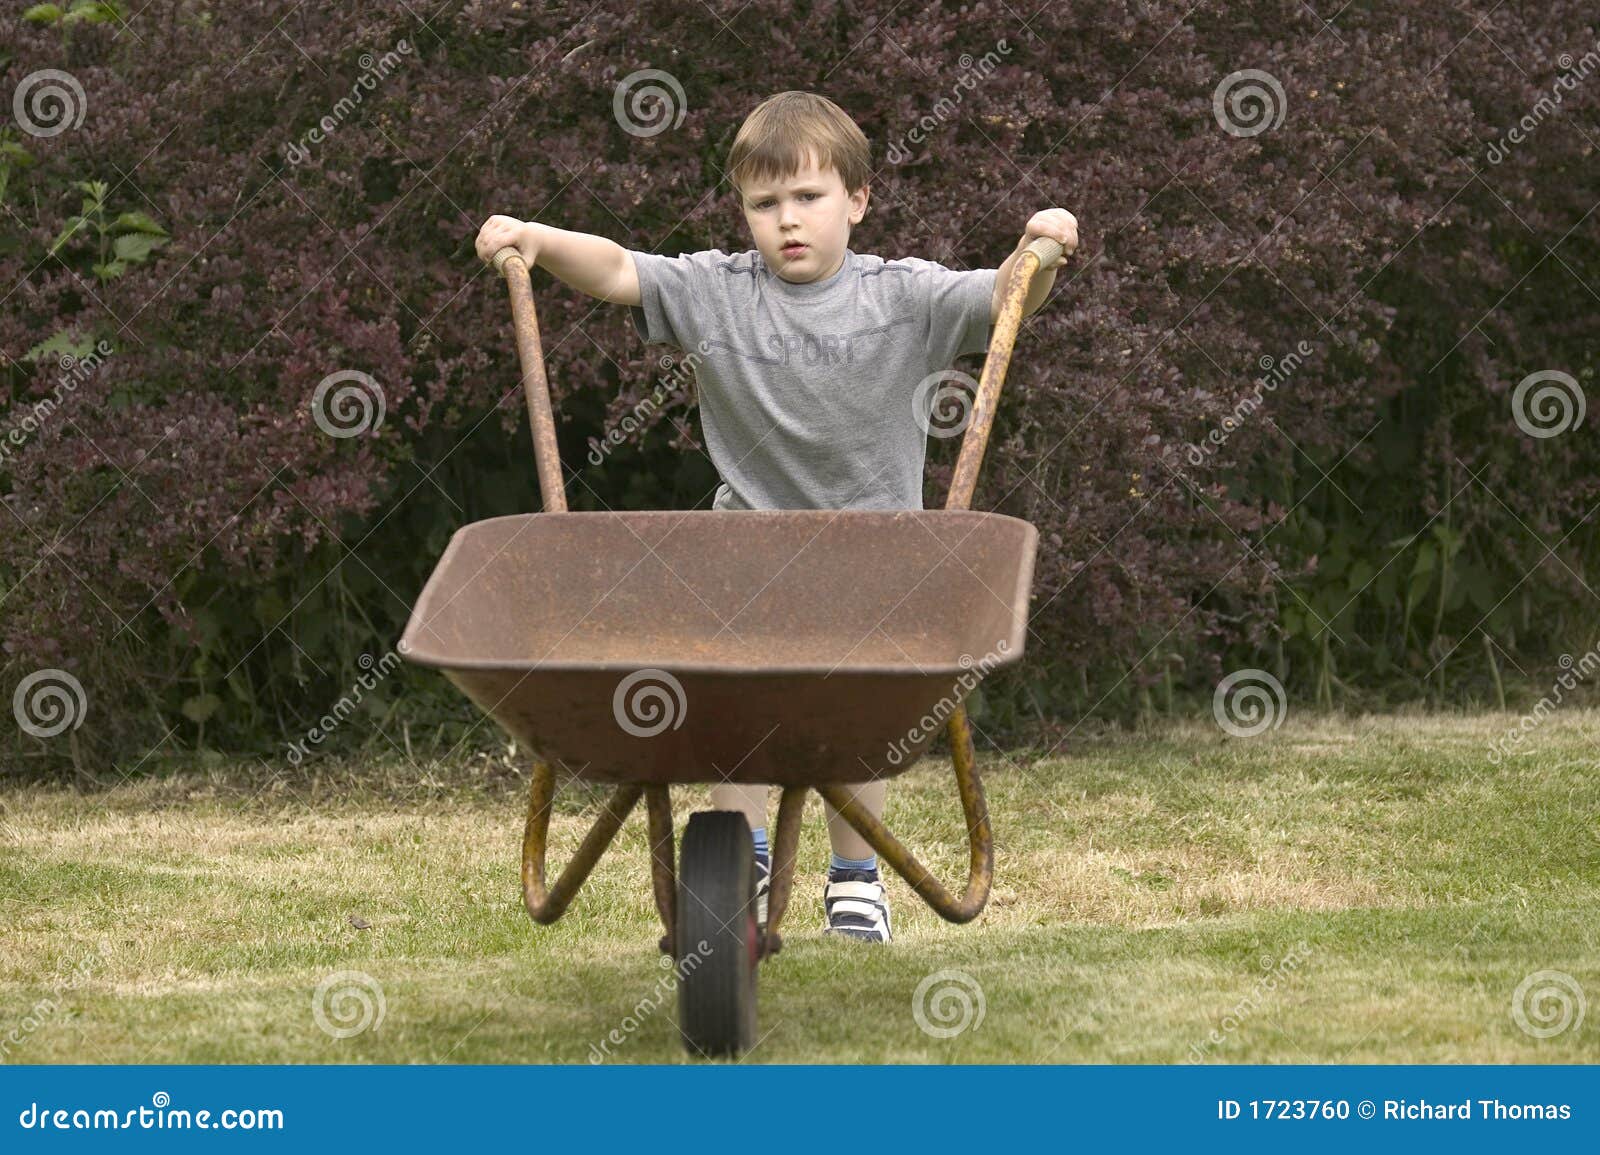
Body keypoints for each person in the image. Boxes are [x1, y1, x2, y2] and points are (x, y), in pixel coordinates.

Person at [475, 90, 1077, 944]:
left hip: (875, 557)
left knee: (859, 719)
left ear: (857, 200)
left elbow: (1007, 299)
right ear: (744, 211)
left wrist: (1039, 248)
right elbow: (616, 269)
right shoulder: (718, 292)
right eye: (765, 204)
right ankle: (743, 855)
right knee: (736, 705)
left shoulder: (905, 296)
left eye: (808, 197)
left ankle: (856, 877)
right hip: (747, 556)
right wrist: (537, 239)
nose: (787, 220)